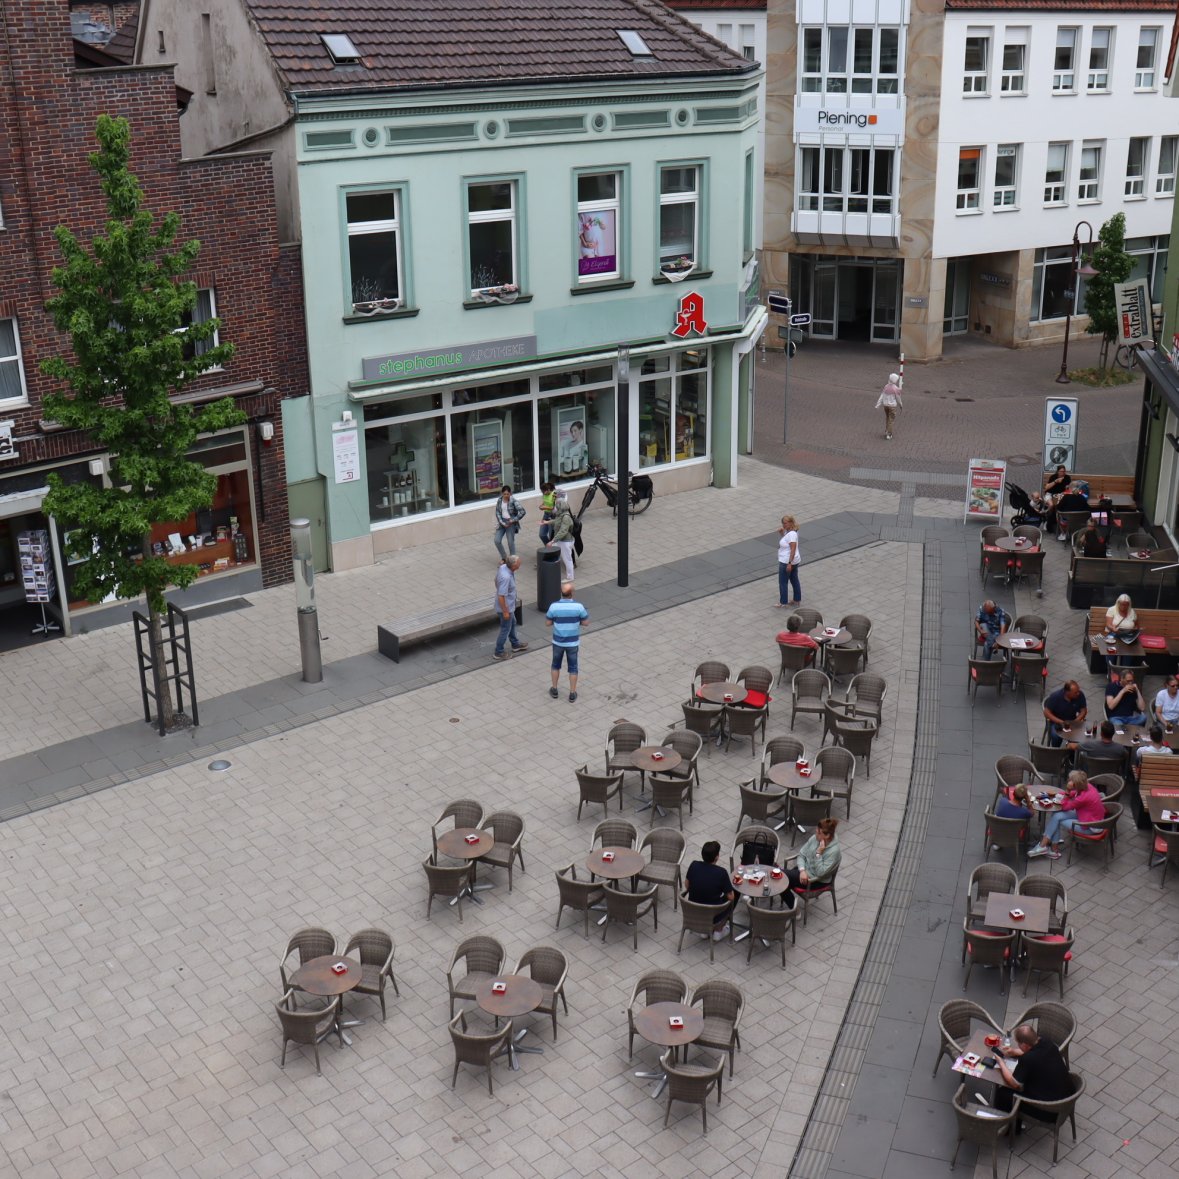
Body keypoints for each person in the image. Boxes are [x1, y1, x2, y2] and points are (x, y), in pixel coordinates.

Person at [992, 1025, 1073, 1119]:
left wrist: (1001, 1062)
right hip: (1067, 1098)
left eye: (1018, 1044)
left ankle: (1010, 1128)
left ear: (1024, 1045)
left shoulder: (1028, 1059)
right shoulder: (1048, 1043)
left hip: (1050, 1110)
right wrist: (1014, 1052)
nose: (1018, 1046)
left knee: (1003, 1094)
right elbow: (1036, 1052)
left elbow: (1014, 1083)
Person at [1028, 770, 1105, 858]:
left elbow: (1065, 807)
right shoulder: (1088, 786)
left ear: (1076, 785)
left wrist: (1068, 790)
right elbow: (1075, 793)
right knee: (1056, 815)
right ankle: (1053, 849)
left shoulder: (1083, 798)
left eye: (1071, 780)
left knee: (1057, 819)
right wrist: (1059, 794)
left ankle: (1043, 846)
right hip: (1088, 816)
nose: (1069, 781)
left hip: (1090, 826)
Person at [683, 840, 736, 940]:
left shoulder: (694, 865)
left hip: (693, 911)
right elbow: (731, 897)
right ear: (717, 857)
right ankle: (718, 930)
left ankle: (704, 931)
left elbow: (687, 886)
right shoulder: (721, 873)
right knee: (733, 897)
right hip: (713, 915)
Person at [546, 582, 588, 702]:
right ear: (572, 593)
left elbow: (548, 623)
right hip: (572, 643)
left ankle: (554, 689)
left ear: (562, 593)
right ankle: (572, 693)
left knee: (555, 665)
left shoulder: (554, 606)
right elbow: (586, 622)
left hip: (558, 642)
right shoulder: (578, 607)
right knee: (573, 668)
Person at [786, 817, 841, 898]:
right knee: (782, 880)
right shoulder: (815, 839)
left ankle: (793, 908)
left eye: (819, 833)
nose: (815, 835)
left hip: (816, 881)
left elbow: (820, 873)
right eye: (816, 831)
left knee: (782, 877)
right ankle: (793, 907)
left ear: (827, 835)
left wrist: (818, 854)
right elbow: (801, 854)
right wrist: (802, 870)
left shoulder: (834, 852)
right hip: (804, 873)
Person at [492, 554, 528, 661]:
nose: (520, 564)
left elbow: (495, 580)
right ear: (513, 566)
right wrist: (505, 611)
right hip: (505, 607)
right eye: (518, 563)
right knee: (505, 628)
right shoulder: (506, 577)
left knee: (513, 622)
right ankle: (498, 652)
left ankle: (515, 644)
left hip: (509, 606)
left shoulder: (503, 567)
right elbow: (501, 596)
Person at [1043, 680, 1087, 747]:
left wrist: (1075, 721)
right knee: (1056, 736)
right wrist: (1061, 722)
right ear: (1067, 692)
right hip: (1057, 723)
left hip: (1072, 721)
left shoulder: (1080, 695)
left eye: (1078, 691)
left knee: (1078, 737)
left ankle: (1072, 754)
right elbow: (1046, 712)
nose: (1078, 693)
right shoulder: (1055, 697)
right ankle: (1056, 752)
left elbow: (1083, 710)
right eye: (1075, 692)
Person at [548, 491, 576, 581]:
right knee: (551, 550)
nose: (555, 506)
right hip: (562, 541)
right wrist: (546, 522)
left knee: (567, 559)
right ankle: (552, 568)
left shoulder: (566, 517)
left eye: (557, 505)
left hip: (565, 541)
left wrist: (553, 540)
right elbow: (557, 521)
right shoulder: (561, 514)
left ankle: (570, 577)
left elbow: (563, 531)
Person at [493, 484, 525, 559]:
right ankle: (504, 558)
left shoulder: (513, 501)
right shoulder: (500, 500)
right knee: (497, 540)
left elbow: (522, 511)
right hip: (502, 523)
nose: (506, 495)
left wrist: (513, 520)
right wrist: (502, 522)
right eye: (504, 494)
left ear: (510, 493)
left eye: (508, 494)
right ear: (502, 493)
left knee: (510, 542)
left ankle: (513, 559)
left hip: (510, 523)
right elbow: (497, 512)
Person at [777, 514, 802, 606]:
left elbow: (793, 548)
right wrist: (781, 533)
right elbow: (786, 541)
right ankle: (797, 599)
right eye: (783, 523)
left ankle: (783, 602)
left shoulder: (791, 534)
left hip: (786, 561)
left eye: (785, 523)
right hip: (795, 560)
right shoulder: (792, 531)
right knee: (794, 579)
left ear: (791, 522)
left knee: (783, 582)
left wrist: (789, 563)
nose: (784, 525)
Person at [875, 372, 902, 440]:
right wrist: (901, 405)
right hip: (892, 406)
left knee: (887, 418)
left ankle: (887, 430)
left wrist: (878, 405)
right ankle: (889, 434)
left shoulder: (886, 386)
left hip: (885, 406)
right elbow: (898, 398)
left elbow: (882, 396)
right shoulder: (896, 388)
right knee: (891, 420)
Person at [538, 481, 556, 545]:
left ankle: (553, 550)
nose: (543, 493)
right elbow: (544, 502)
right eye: (542, 492)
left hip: (553, 516)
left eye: (544, 492)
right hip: (546, 515)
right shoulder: (544, 495)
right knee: (542, 534)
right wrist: (541, 506)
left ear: (548, 490)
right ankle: (549, 547)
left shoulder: (554, 495)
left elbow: (554, 508)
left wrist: (545, 508)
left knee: (551, 535)